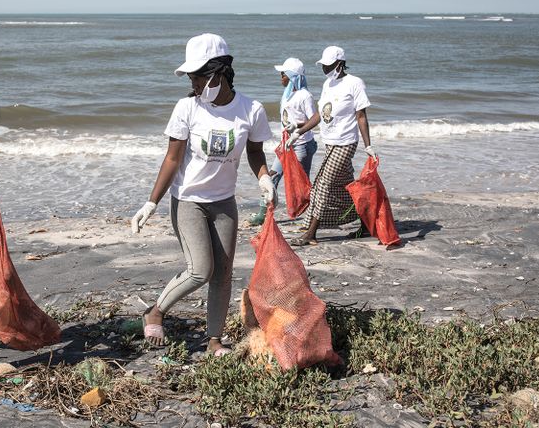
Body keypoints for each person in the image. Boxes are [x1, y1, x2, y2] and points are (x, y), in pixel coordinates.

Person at [131, 33, 274, 356]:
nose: (194, 83)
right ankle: (155, 311)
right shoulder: (186, 108)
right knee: (200, 270)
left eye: (198, 76)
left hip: (224, 202)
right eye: (191, 77)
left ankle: (214, 340)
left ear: (219, 72)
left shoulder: (251, 109)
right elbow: (172, 158)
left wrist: (264, 177)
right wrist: (151, 202)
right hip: (188, 201)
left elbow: (255, 152)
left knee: (222, 275)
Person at [289, 46, 379, 247]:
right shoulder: (327, 84)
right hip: (329, 143)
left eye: (328, 65)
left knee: (323, 184)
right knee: (346, 189)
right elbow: (320, 114)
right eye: (323, 66)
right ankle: (366, 223)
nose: (325, 69)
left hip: (346, 142)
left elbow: (361, 116)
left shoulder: (354, 83)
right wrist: (299, 132)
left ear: (339, 64)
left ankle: (311, 234)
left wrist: (368, 146)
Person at [249, 57, 318, 225]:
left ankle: (312, 217)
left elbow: (315, 119)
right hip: (286, 146)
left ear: (292, 76)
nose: (281, 77)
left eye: (283, 74)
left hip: (301, 146)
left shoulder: (304, 96)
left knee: (301, 185)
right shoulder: (288, 94)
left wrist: (298, 129)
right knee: (271, 177)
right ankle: (263, 214)